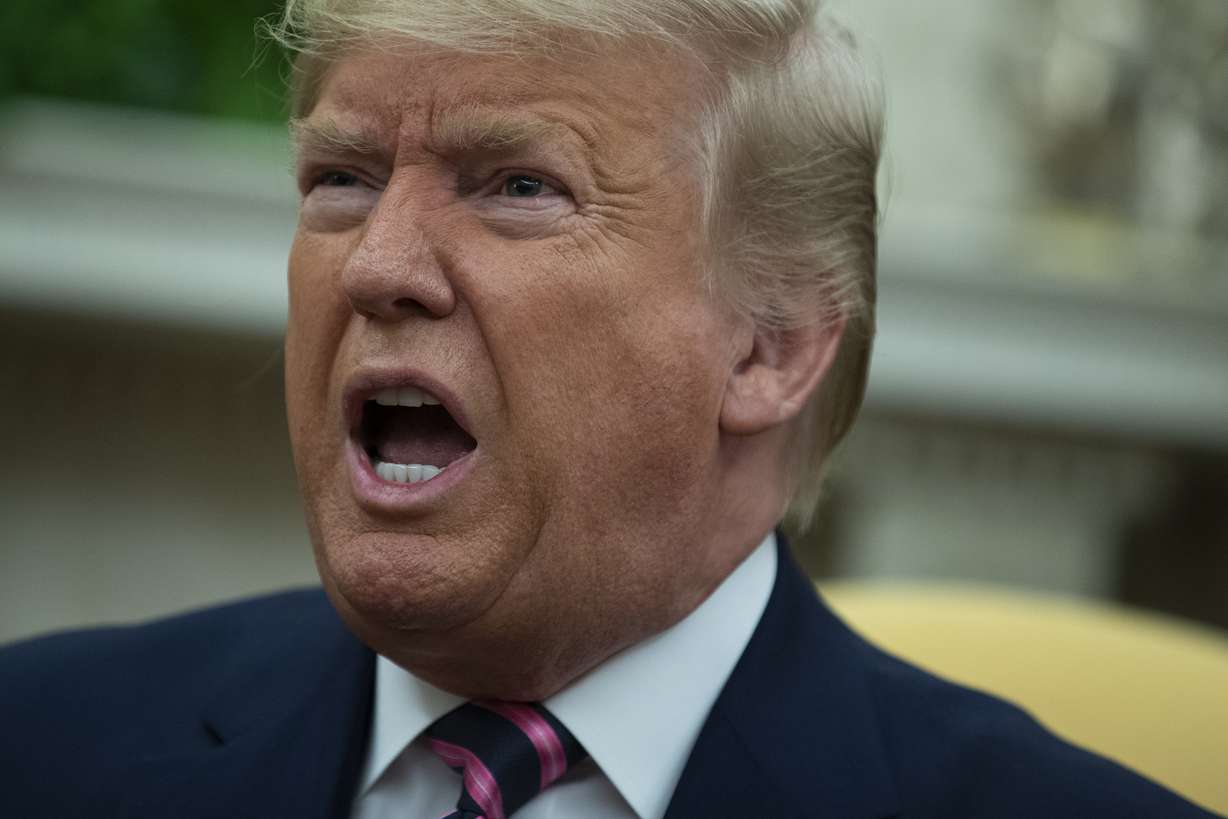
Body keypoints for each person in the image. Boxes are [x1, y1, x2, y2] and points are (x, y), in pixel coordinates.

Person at [0, 1, 1219, 817]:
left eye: (519, 186)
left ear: (771, 346)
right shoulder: (41, 745)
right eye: (342, 180)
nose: (377, 265)